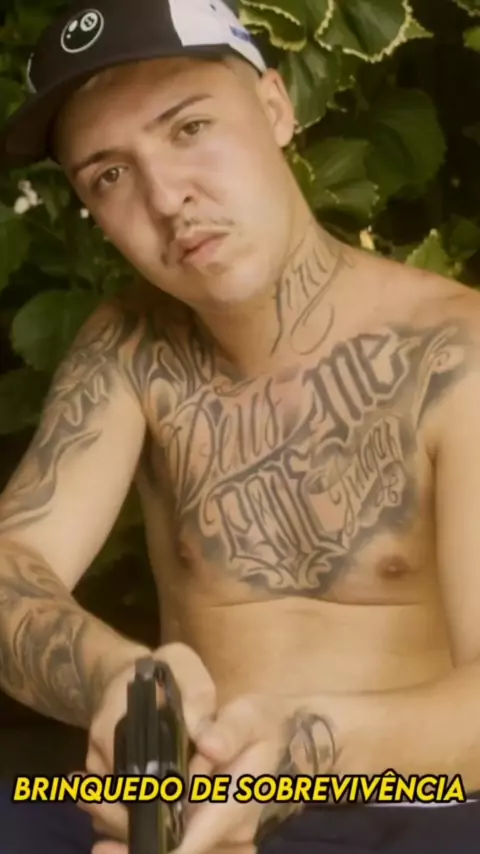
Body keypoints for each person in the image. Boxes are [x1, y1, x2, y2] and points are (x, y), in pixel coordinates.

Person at [1, 0, 480, 852]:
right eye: (109, 175)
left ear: (274, 107)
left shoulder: (455, 352)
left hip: (416, 795)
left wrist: (295, 755)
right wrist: (121, 681)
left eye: (189, 128)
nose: (166, 198)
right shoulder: (129, 344)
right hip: (174, 800)